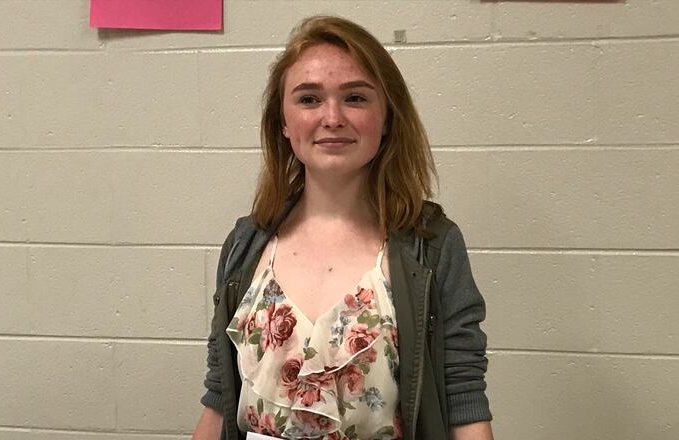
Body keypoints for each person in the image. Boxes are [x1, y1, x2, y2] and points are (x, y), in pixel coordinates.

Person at [192, 15, 493, 440]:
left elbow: (464, 402)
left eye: (354, 97)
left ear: (387, 118)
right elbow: (219, 401)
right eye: (309, 99)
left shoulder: (432, 247)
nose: (332, 117)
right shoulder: (247, 244)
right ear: (282, 121)